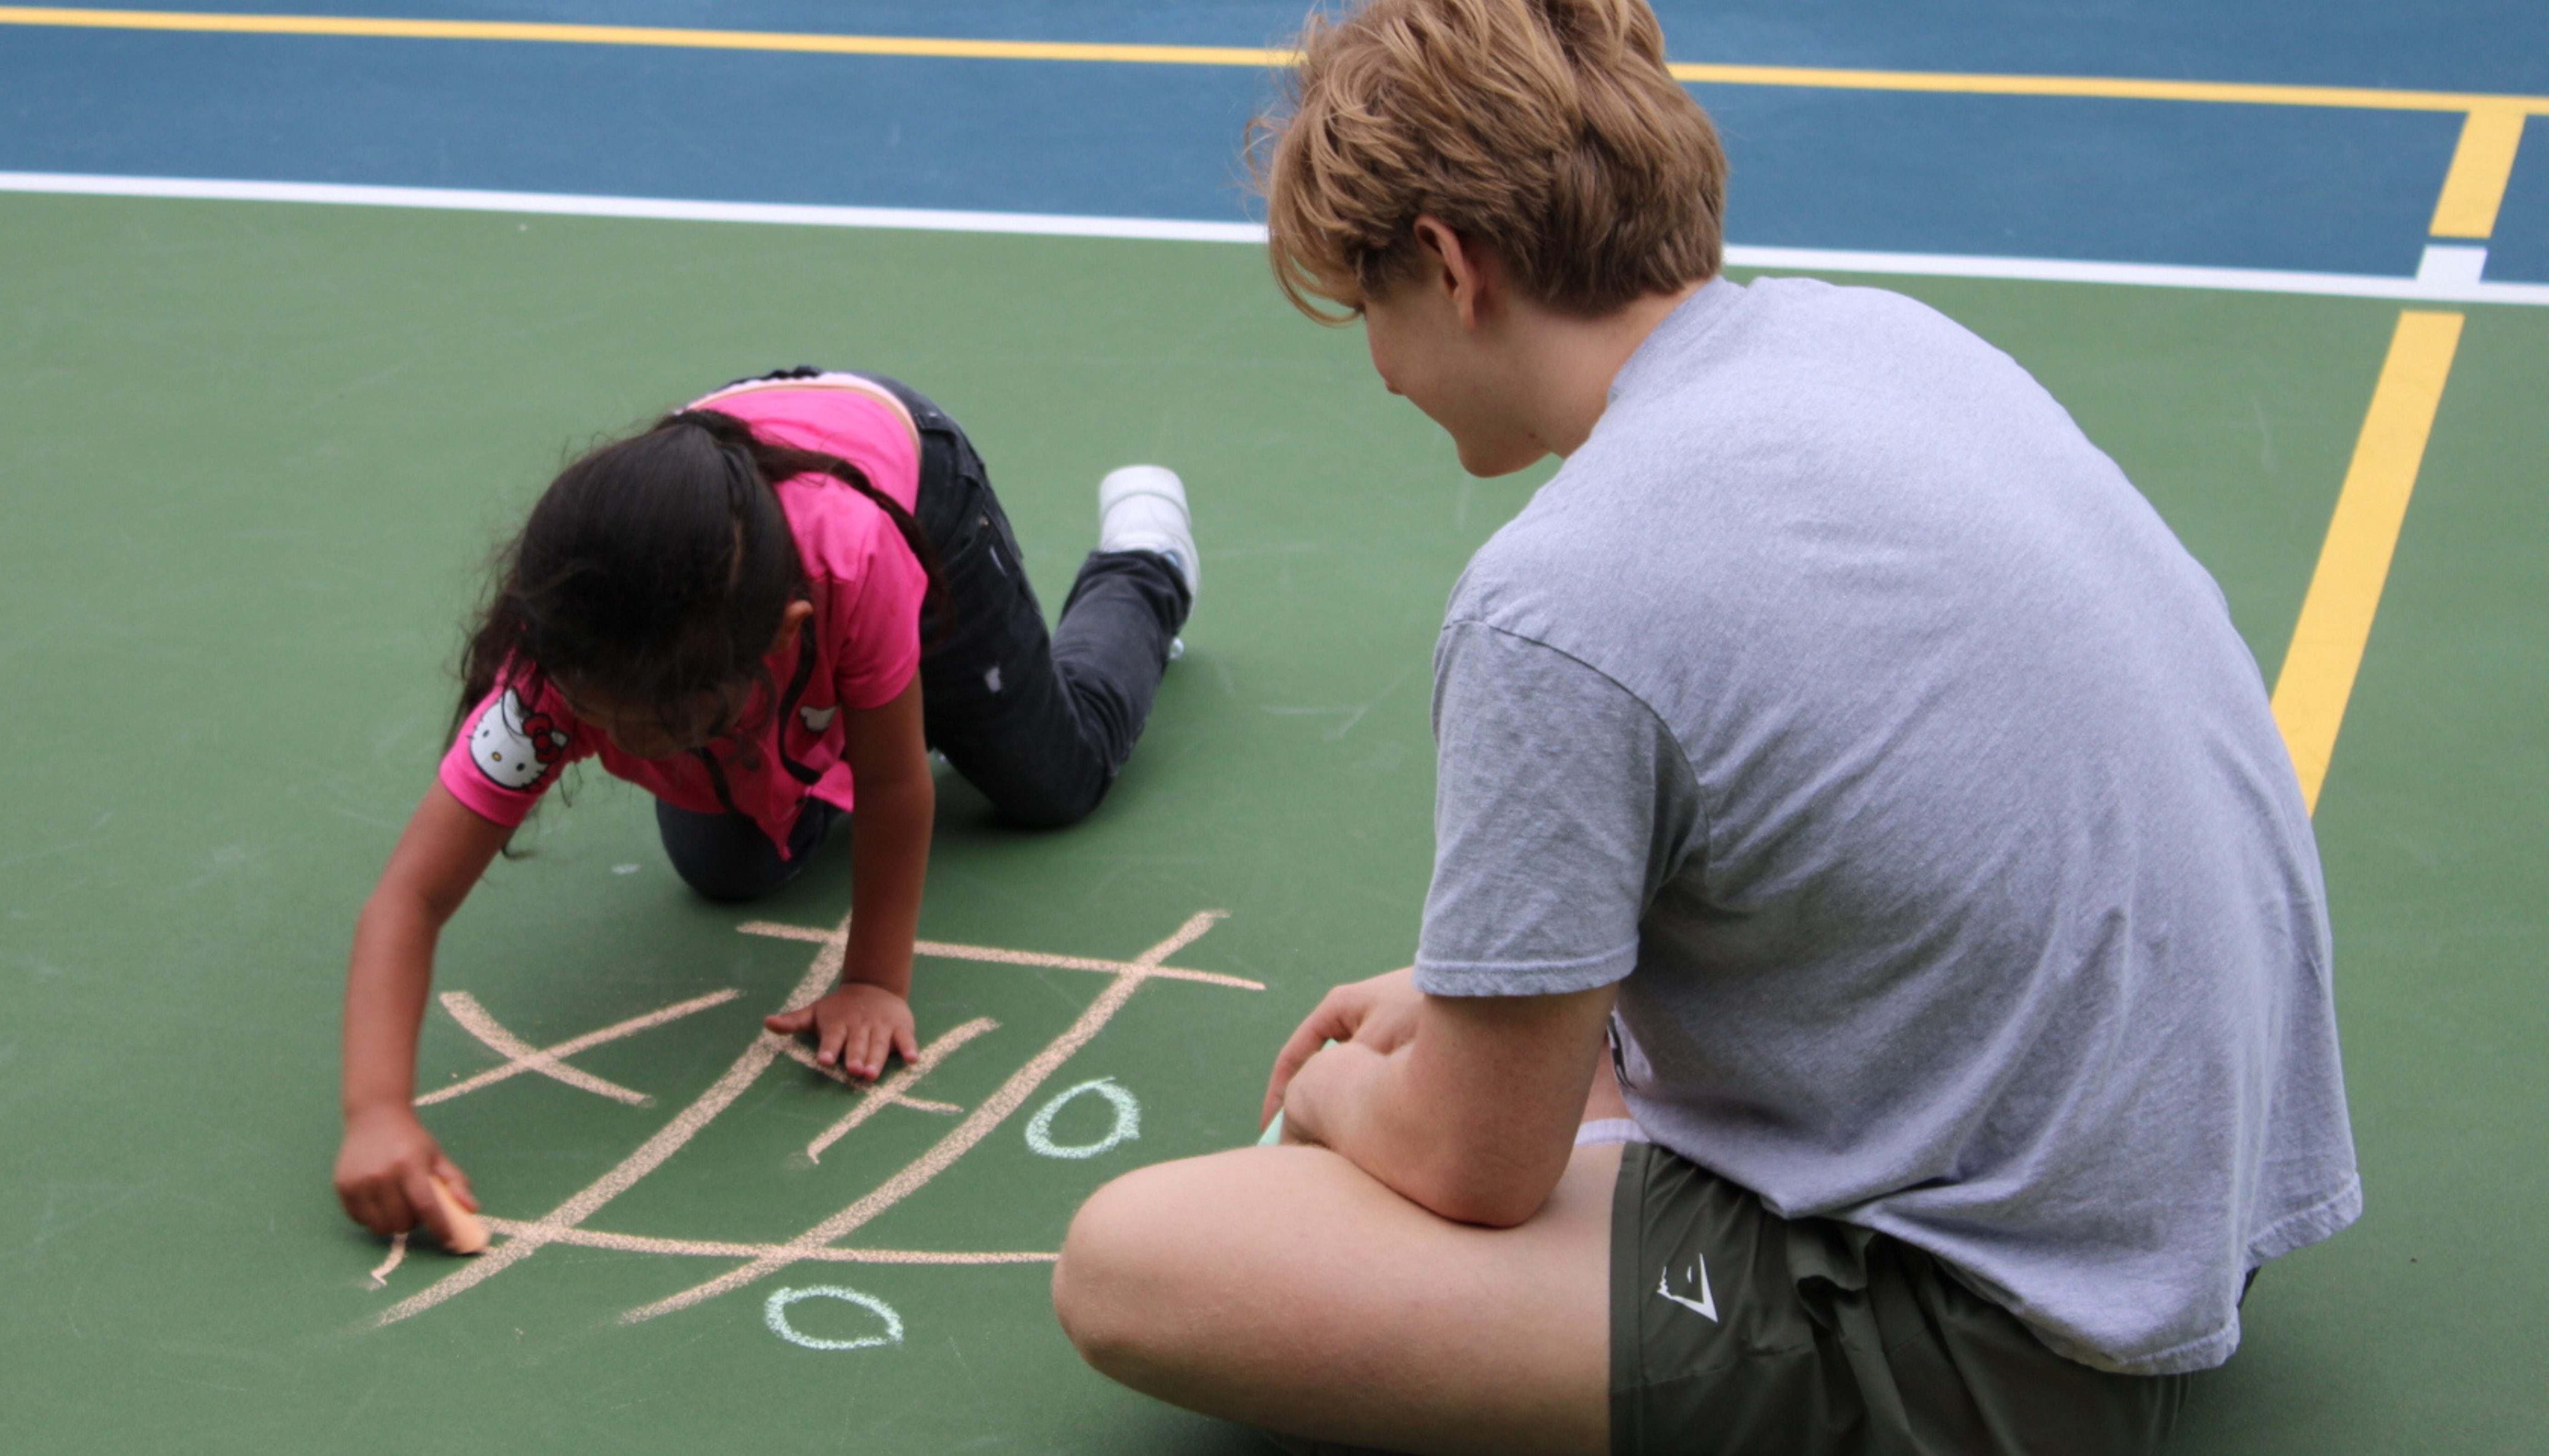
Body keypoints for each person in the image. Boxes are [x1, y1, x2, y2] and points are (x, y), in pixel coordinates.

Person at [1048, 1, 2358, 1452]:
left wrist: (1351, 1093)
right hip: (2192, 1203)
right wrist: (1487, 1008)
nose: (1382, 372)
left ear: (1446, 264)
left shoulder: (1557, 594)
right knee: (1488, 1026)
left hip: (2017, 1336)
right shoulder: (1870, 335)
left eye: (1372, 311)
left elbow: (1472, 1164)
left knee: (1138, 1256)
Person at [334, 367, 1199, 1245]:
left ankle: (1146, 564)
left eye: (675, 723)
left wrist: (872, 979)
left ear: (784, 639)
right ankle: (880, 694)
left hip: (905, 484)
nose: (644, 743)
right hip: (699, 526)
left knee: (1055, 781)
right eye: (609, 722)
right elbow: (410, 898)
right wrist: (375, 1111)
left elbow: (897, 786)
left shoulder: (851, 559)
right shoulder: (557, 670)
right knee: (730, 868)